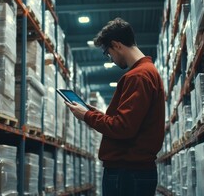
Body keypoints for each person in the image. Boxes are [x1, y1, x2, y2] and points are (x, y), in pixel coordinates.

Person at [65, 18, 165, 196]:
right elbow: (127, 121)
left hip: (127, 173)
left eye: (108, 53)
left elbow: (123, 128)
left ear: (116, 45)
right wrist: (90, 112)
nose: (110, 59)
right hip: (132, 172)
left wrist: (87, 116)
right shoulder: (146, 72)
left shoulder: (138, 76)